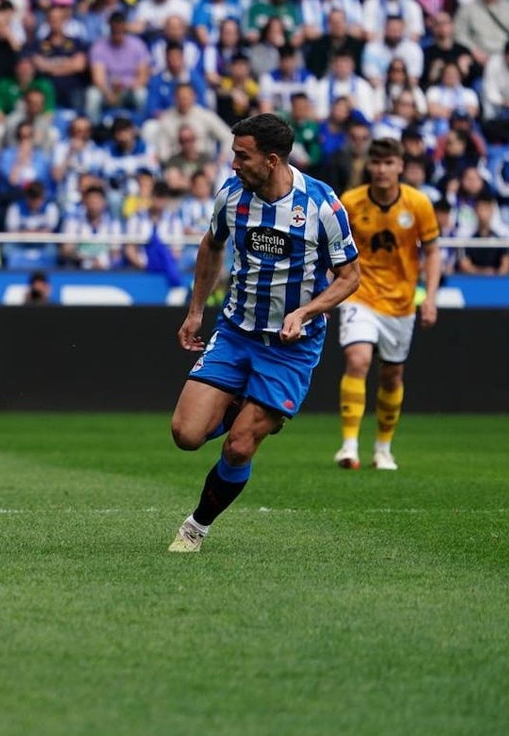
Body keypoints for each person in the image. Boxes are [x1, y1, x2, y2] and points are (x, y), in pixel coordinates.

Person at [168, 113, 361, 552]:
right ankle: (246, 403)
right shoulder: (232, 197)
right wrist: (196, 311)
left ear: (271, 160)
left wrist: (307, 311)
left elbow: (350, 277)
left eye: (242, 155)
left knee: (238, 447)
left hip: (290, 349)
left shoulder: (322, 205)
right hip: (236, 333)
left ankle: (196, 528)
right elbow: (211, 246)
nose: (233, 165)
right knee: (186, 435)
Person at [333, 137, 442, 472]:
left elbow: (433, 251)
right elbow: (333, 246)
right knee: (358, 358)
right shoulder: (350, 202)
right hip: (359, 293)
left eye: (388, 163)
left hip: (400, 301)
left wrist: (431, 297)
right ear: (369, 166)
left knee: (392, 375)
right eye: (376, 163)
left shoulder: (418, 204)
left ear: (400, 166)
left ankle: (383, 449)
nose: (381, 170)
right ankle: (349, 446)